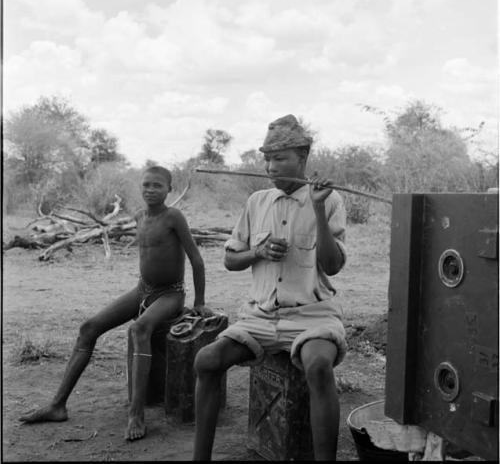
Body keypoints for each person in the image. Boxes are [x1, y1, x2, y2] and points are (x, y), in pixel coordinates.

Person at [193, 114, 348, 461]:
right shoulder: (257, 202)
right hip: (259, 318)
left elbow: (333, 266)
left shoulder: (329, 199)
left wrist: (319, 209)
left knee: (318, 366)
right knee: (206, 360)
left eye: (280, 158)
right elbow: (231, 260)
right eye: (267, 159)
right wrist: (257, 252)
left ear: (303, 158)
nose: (270, 167)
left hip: (312, 316)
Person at [19, 165, 212, 441]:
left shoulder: (174, 217)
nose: (150, 190)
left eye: (157, 185)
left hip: (171, 294)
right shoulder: (139, 217)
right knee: (88, 328)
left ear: (169, 189)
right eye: (146, 185)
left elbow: (196, 259)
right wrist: (143, 293)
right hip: (143, 290)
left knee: (139, 329)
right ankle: (57, 405)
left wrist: (200, 301)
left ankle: (136, 413)